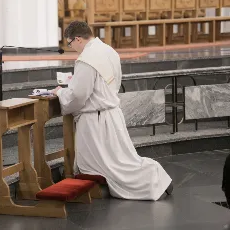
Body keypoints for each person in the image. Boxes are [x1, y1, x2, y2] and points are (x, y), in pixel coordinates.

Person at [51, 21, 173, 201]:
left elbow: (78, 95)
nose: (72, 48)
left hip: (96, 121)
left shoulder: (86, 59)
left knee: (110, 166)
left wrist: (60, 92)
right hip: (112, 115)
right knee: (121, 160)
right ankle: (157, 177)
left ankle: (151, 179)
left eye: (70, 44)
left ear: (77, 39)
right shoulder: (109, 51)